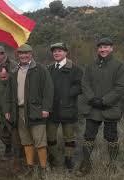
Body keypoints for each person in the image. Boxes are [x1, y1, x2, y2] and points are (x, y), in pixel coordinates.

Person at [76, 38, 124, 176]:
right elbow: (84, 83)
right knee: (88, 137)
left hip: (110, 107)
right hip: (93, 108)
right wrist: (92, 98)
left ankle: (113, 165)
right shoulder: (91, 66)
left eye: (106, 47)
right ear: (98, 49)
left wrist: (104, 101)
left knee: (112, 138)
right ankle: (85, 165)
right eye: (100, 47)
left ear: (111, 48)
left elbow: (120, 88)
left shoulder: (119, 66)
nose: (103, 50)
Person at [4, 44, 54, 179]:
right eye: (21, 54)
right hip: (19, 112)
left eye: (26, 53)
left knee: (40, 140)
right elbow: (8, 93)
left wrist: (46, 108)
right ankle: (30, 167)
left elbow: (48, 91)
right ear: (17, 55)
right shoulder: (14, 72)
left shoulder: (41, 70)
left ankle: (44, 168)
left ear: (31, 54)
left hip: (36, 111)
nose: (24, 56)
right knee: (26, 141)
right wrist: (7, 109)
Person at [46, 42, 83, 171]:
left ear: (66, 52)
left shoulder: (75, 69)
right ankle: (54, 159)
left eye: (59, 51)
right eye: (54, 51)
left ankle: (69, 159)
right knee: (50, 137)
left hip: (68, 109)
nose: (56, 53)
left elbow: (80, 86)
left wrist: (66, 94)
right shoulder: (49, 69)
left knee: (69, 138)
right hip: (52, 110)